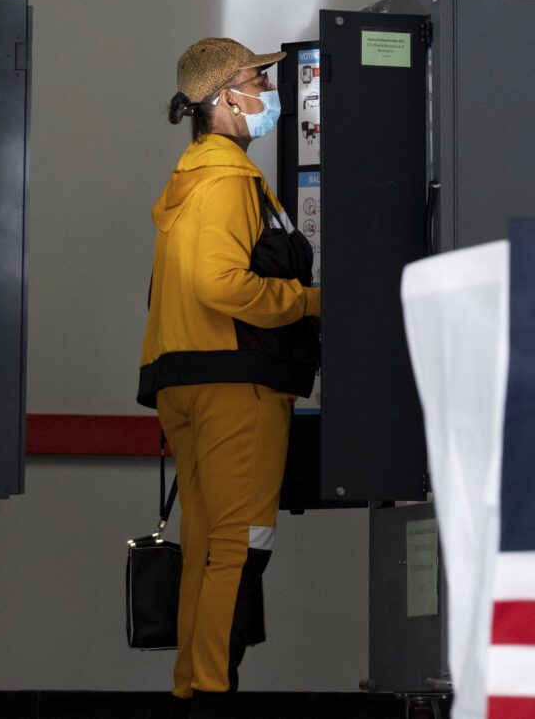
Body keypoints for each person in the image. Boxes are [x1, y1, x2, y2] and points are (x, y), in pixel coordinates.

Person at [139, 37, 320, 716]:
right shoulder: (228, 180)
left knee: (207, 546)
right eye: (256, 80)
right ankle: (214, 691)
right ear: (221, 99)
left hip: (183, 378)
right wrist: (309, 301)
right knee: (241, 545)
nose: (268, 93)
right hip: (236, 382)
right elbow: (223, 286)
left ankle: (194, 687)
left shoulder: (188, 181)